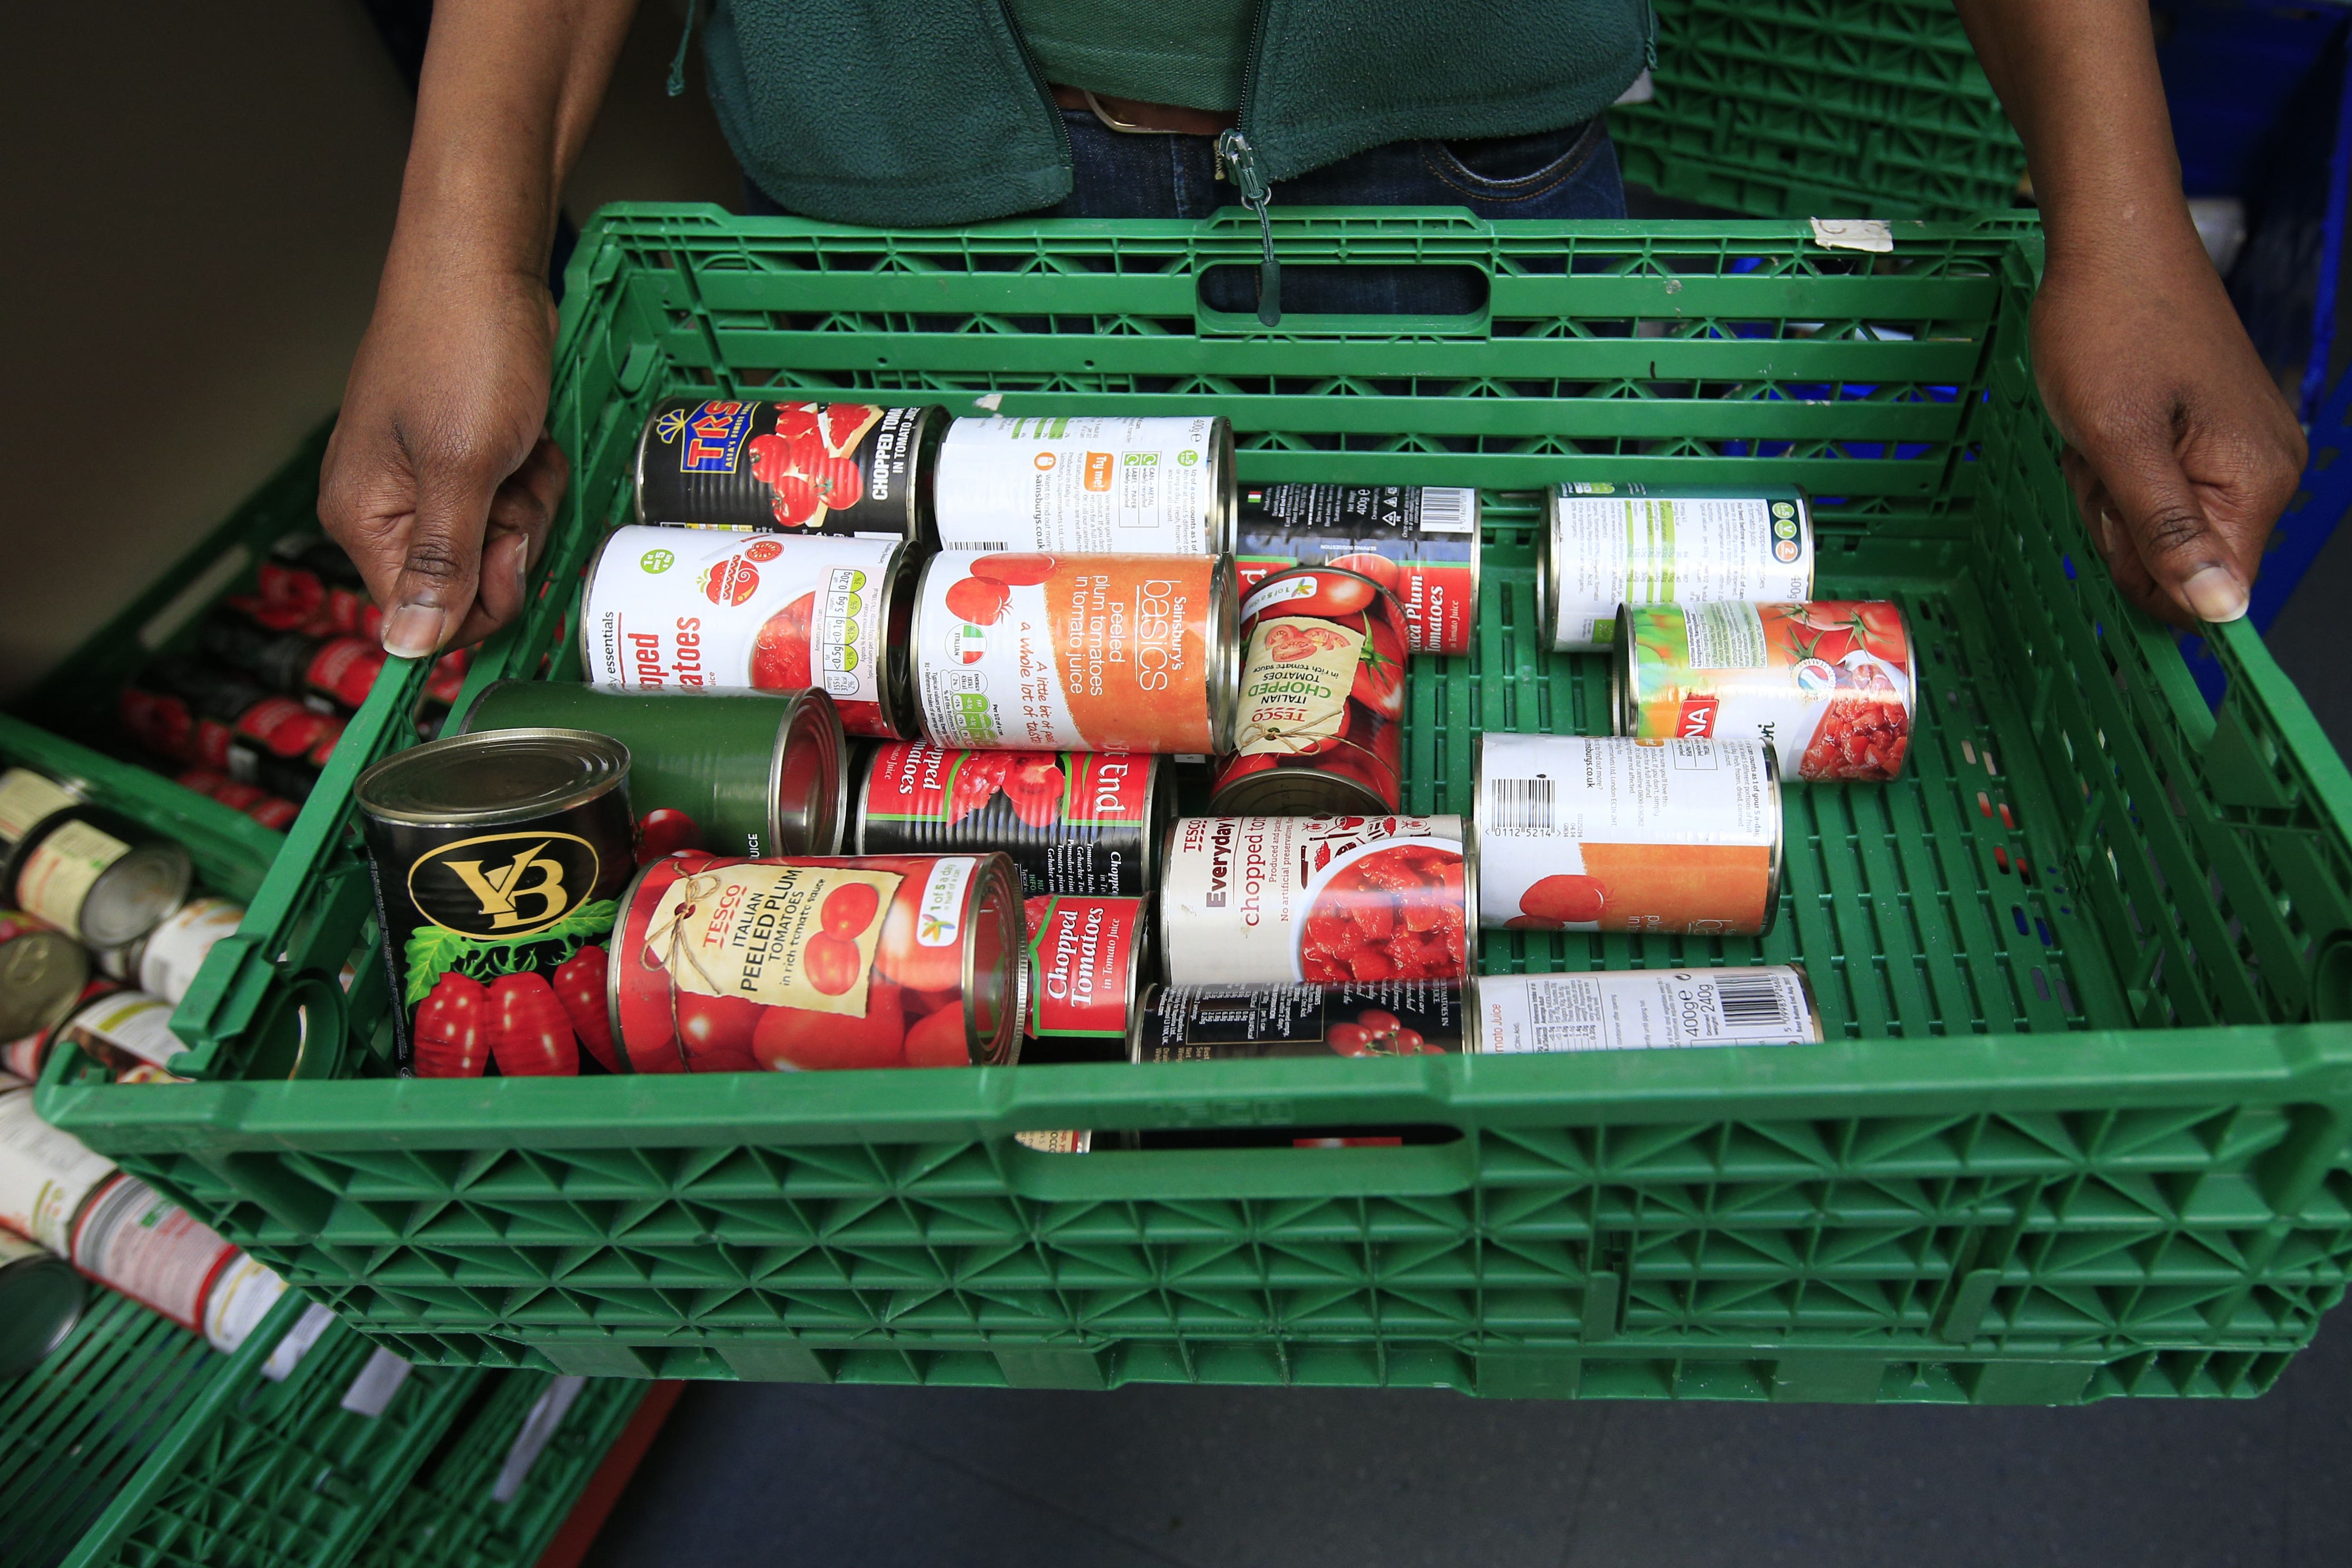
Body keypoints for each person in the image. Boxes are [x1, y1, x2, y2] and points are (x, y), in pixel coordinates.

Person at [323, 0, 2304, 658]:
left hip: (1465, 187)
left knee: (1451, 697)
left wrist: (2118, 207)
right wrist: (461, 237)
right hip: (903, 207)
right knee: (961, 740)